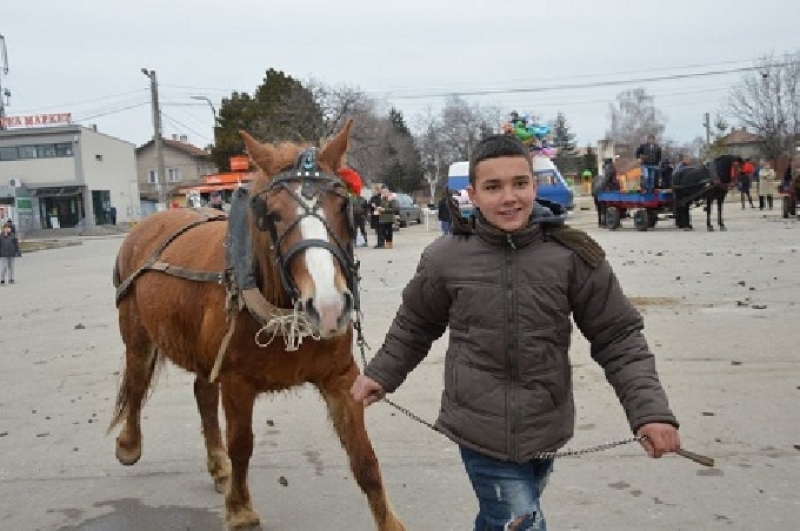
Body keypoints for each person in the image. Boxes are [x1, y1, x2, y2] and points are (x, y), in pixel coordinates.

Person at [351, 134, 681, 530]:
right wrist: (381, 374)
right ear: (473, 194)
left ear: (534, 185)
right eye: (493, 187)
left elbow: (618, 336)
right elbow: (415, 324)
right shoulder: (446, 257)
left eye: (519, 183)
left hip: (545, 424)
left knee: (502, 519)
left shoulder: (573, 254)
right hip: (478, 427)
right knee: (519, 520)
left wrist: (649, 412)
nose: (509, 197)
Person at [374, 185, 398, 249]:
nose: (384, 193)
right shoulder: (383, 199)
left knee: (389, 232)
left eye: (385, 192)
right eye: (383, 192)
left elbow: (394, 209)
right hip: (382, 218)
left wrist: (384, 209)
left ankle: (389, 244)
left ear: (388, 192)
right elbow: (382, 206)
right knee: (383, 231)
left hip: (389, 218)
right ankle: (387, 243)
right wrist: (379, 208)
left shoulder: (392, 199)